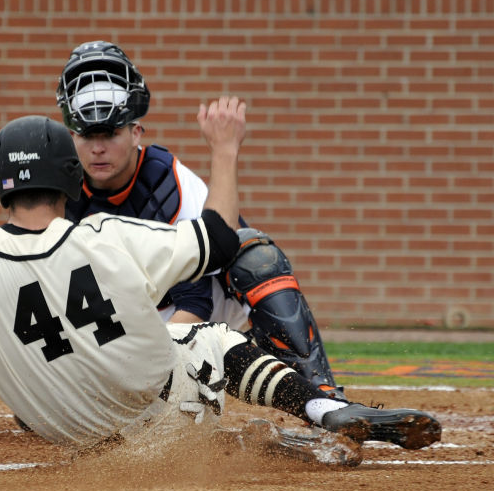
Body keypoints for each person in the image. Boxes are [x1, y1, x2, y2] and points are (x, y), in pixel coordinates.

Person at [0, 107, 440, 470]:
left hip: (77, 439)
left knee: (30, 382)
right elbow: (219, 239)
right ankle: (324, 413)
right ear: (69, 175)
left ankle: (271, 445)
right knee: (197, 335)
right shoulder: (103, 237)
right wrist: (226, 148)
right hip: (165, 416)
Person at [56, 41, 341, 397]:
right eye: (87, 136)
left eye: (111, 133)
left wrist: (153, 364)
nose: (98, 148)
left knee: (255, 255)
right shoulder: (58, 193)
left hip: (202, 327)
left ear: (135, 132)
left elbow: (196, 302)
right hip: (124, 331)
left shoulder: (168, 184)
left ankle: (324, 396)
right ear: (71, 137)